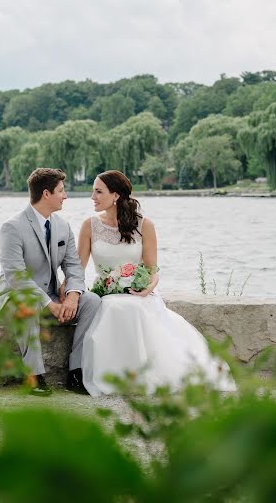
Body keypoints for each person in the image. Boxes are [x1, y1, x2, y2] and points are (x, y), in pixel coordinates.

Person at [78, 170, 236, 396]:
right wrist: (71, 291)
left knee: (132, 306)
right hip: (105, 293)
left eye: (98, 191)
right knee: (114, 306)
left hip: (138, 293)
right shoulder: (89, 226)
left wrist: (148, 289)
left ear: (115, 195)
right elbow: (78, 267)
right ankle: (114, 377)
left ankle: (141, 375)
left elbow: (152, 270)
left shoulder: (144, 226)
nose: (92, 196)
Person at [0, 168, 101, 395]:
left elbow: (74, 267)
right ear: (46, 194)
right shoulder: (12, 227)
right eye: (61, 191)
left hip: (52, 297)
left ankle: (75, 371)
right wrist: (50, 304)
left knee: (93, 301)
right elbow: (16, 276)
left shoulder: (62, 226)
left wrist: (72, 296)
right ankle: (34, 376)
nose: (65, 196)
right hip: (13, 298)